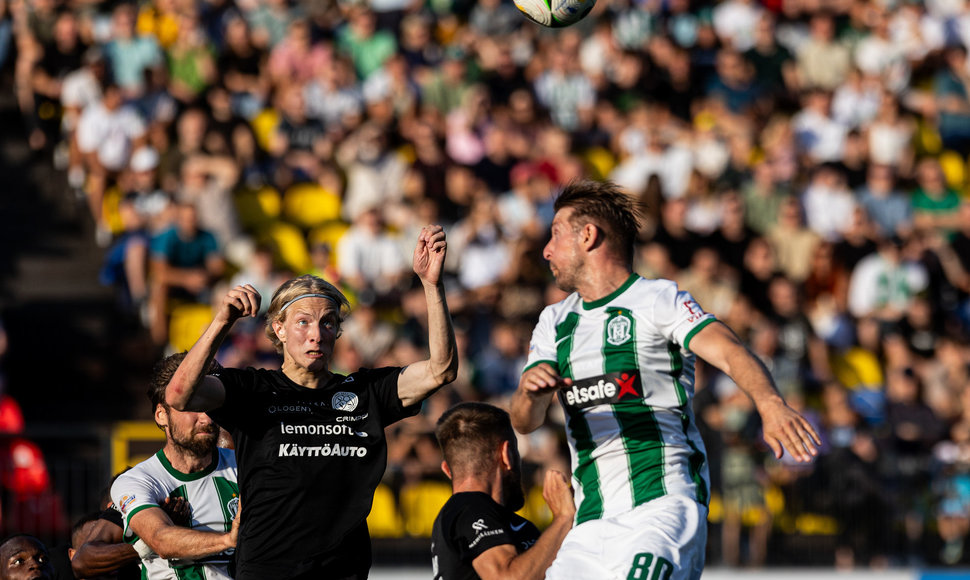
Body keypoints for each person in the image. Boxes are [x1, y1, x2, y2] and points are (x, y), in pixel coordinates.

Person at [510, 180, 821, 580]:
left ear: (588, 236)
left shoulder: (658, 299)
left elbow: (729, 349)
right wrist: (530, 390)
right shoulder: (553, 322)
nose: (546, 250)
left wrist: (770, 404)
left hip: (661, 509)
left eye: (555, 234)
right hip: (589, 527)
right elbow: (524, 421)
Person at [166, 225, 458, 579]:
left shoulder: (366, 391)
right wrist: (222, 321)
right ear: (279, 329)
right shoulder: (252, 389)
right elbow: (178, 395)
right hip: (267, 569)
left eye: (328, 323)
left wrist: (431, 285)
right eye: (303, 322)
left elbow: (441, 370)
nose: (316, 334)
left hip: (342, 571)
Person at [110, 352, 240, 580]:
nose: (207, 418)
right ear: (161, 415)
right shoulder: (138, 480)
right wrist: (229, 540)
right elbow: (160, 539)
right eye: (193, 405)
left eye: (212, 405)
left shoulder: (244, 467)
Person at [431, 402, 574, 580]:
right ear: (506, 455)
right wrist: (563, 519)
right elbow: (506, 578)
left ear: (447, 470)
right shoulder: (469, 507)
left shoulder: (512, 524)